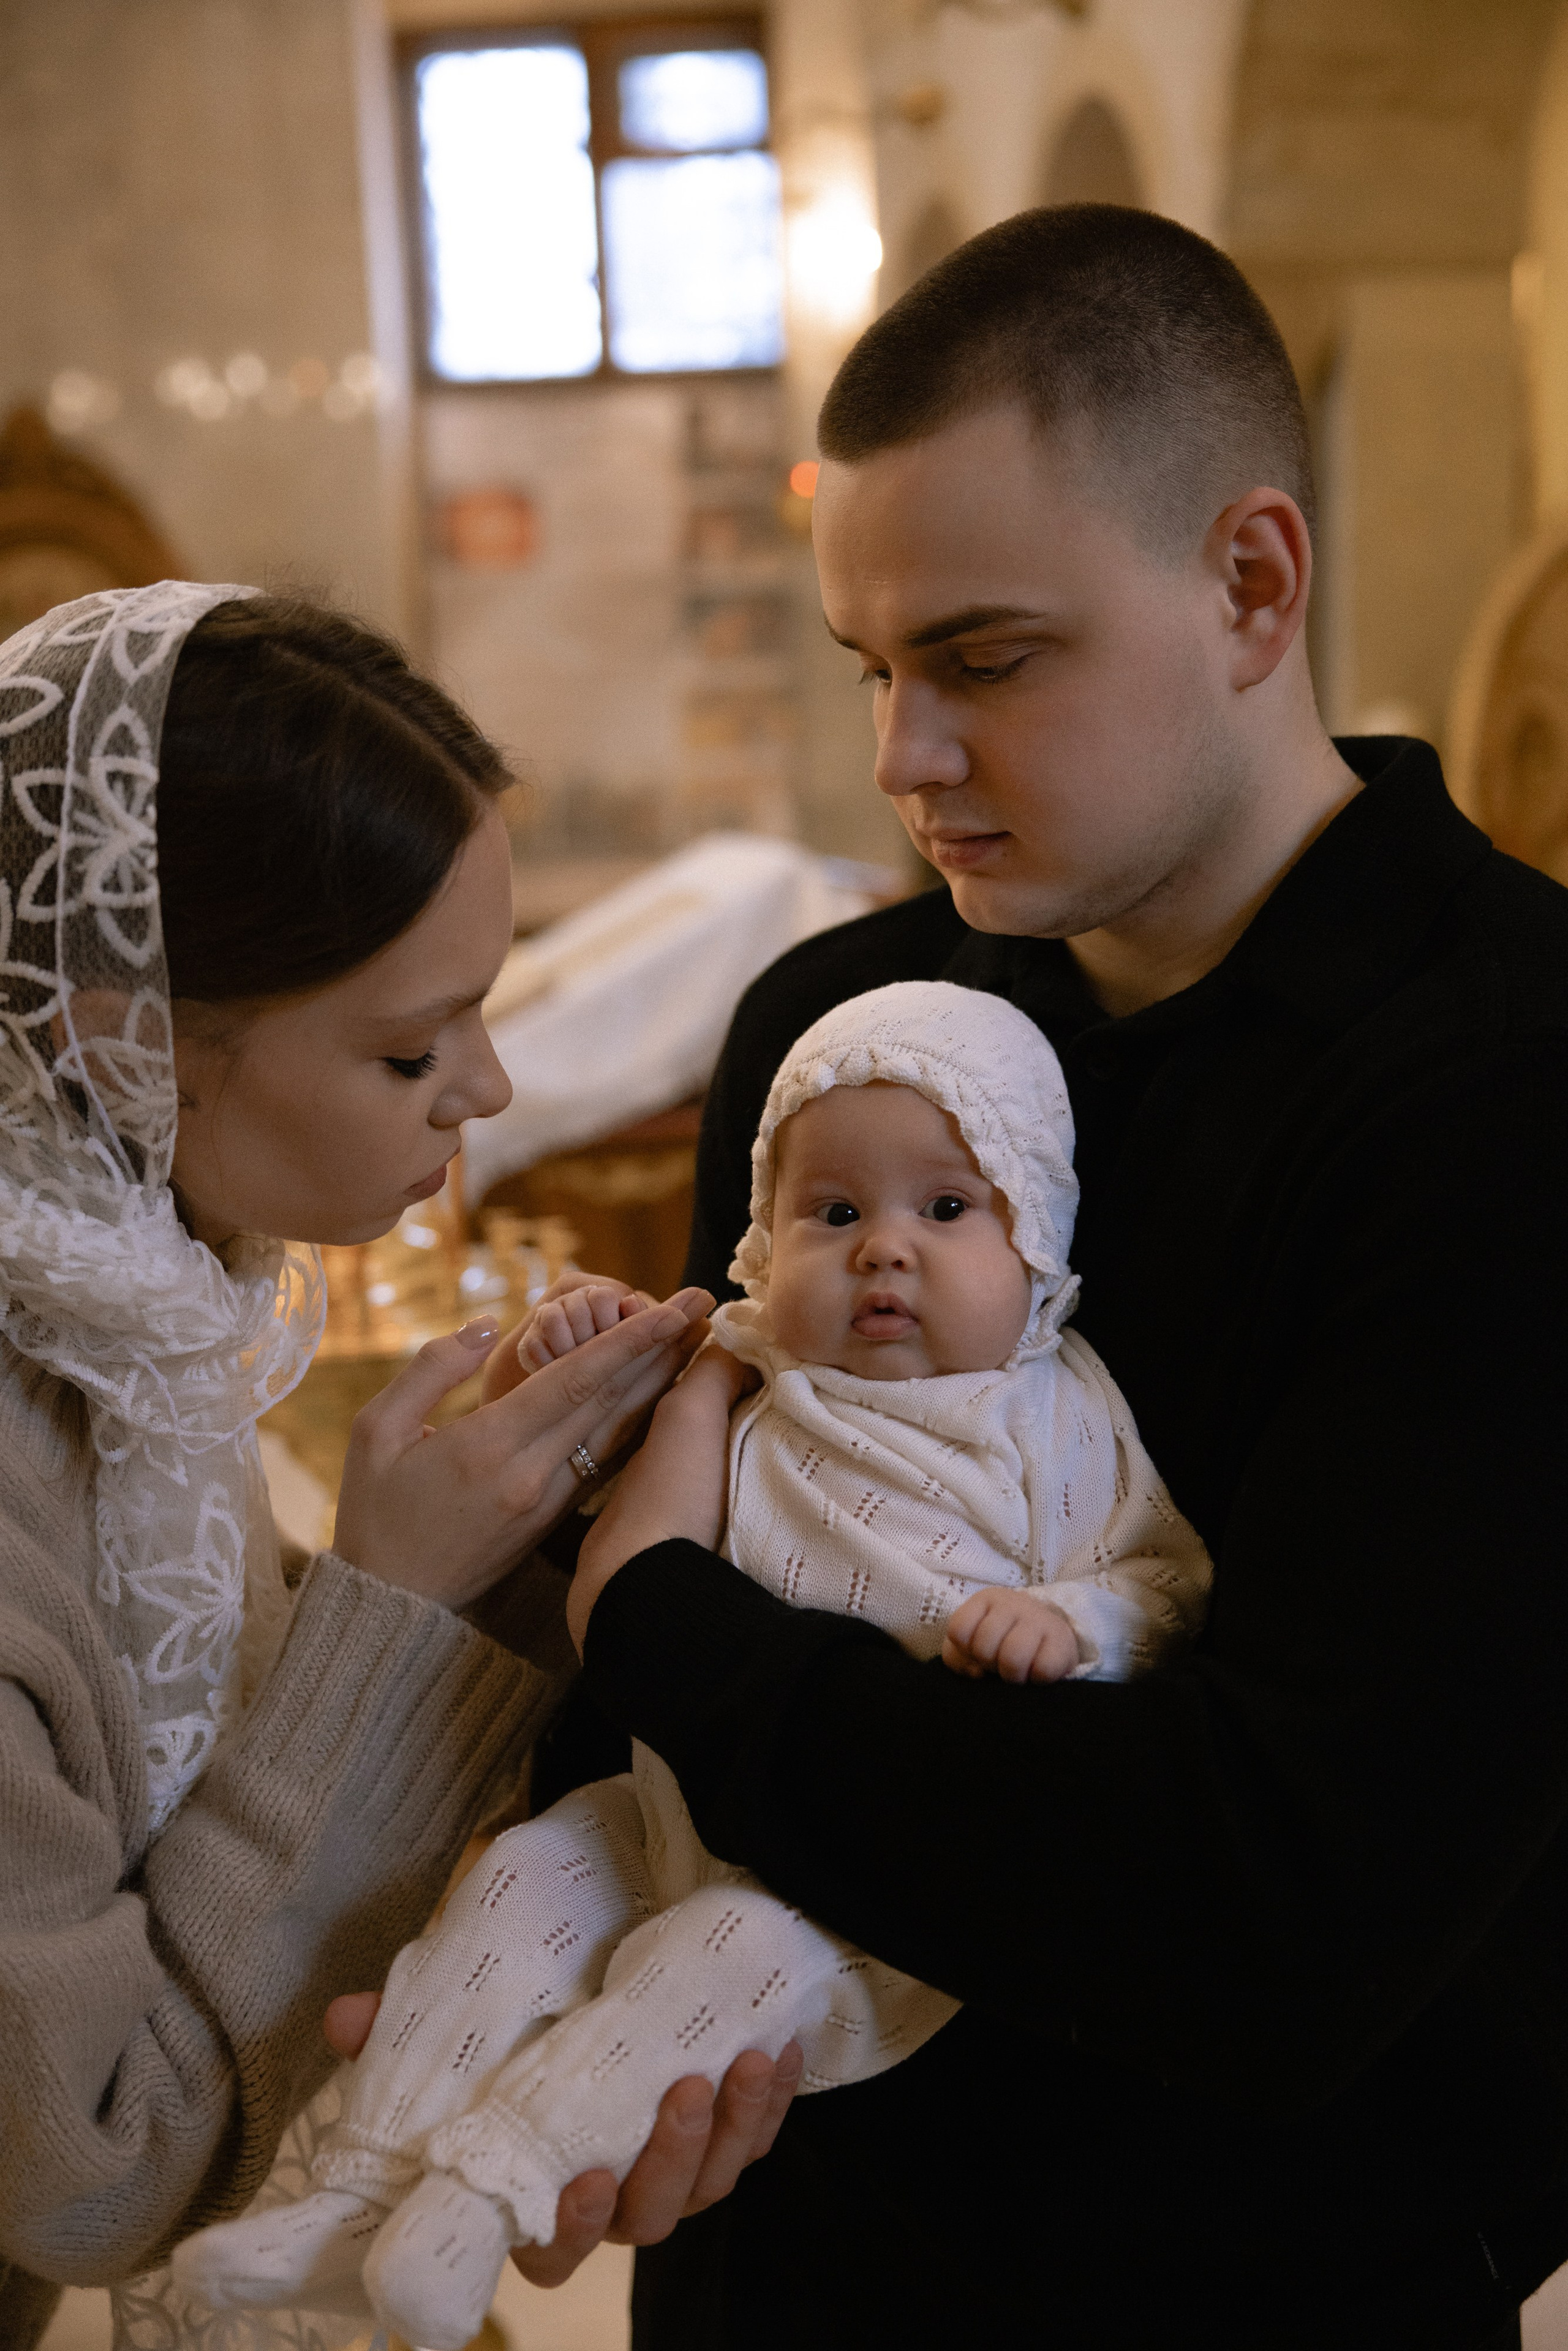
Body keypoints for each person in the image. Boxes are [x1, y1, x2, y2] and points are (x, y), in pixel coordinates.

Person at [545, 205, 1568, 2350]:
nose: (902, 755)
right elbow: (684, 1622)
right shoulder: (843, 1023)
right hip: (779, 2261)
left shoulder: (1504, 1076)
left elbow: (1275, 1915)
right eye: (873, 668)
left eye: (987, 659)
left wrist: (672, 1638)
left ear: (1252, 583)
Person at [175, 978, 1209, 2349]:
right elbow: (614, 1509)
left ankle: (486, 2190)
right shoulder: (747, 1367)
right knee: (522, 1880)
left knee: (712, 1955)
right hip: (668, 1802)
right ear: (763, 1241)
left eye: (947, 1207)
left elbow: (1162, 1577)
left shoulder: (1048, 1409)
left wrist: (1072, 1624)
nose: (883, 1248)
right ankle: (360, 2185)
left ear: (1038, 1237)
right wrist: (573, 1350)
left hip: (853, 1890)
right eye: (831, 1213)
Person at [0, 583, 791, 2351]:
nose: (487, 1086)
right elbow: (94, 2157)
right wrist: (398, 1602)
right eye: (410, 1045)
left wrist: (510, 1543)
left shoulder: (126, 1318)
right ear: (123, 1035)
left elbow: (185, 1760)